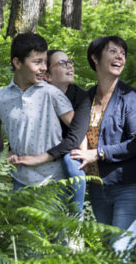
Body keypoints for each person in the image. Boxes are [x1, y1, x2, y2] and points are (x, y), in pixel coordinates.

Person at [70, 36, 136, 256]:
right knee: (112, 252)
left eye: (123, 53)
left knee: (119, 250)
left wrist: (98, 153)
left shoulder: (131, 97)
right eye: (113, 52)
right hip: (98, 188)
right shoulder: (85, 98)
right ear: (95, 58)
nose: (119, 57)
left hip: (129, 187)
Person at [0, 33, 74, 192]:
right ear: (17, 63)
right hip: (19, 181)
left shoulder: (52, 93)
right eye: (37, 62)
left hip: (53, 182)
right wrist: (1, 159)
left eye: (45, 62)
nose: (44, 68)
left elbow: (77, 130)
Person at [10, 49, 89, 219]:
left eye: (70, 62)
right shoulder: (36, 95)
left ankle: (76, 219)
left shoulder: (81, 97)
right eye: (62, 63)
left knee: (71, 162)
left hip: (68, 149)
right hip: (44, 148)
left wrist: (43, 157)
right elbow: (25, 127)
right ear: (47, 76)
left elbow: (76, 137)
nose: (70, 67)